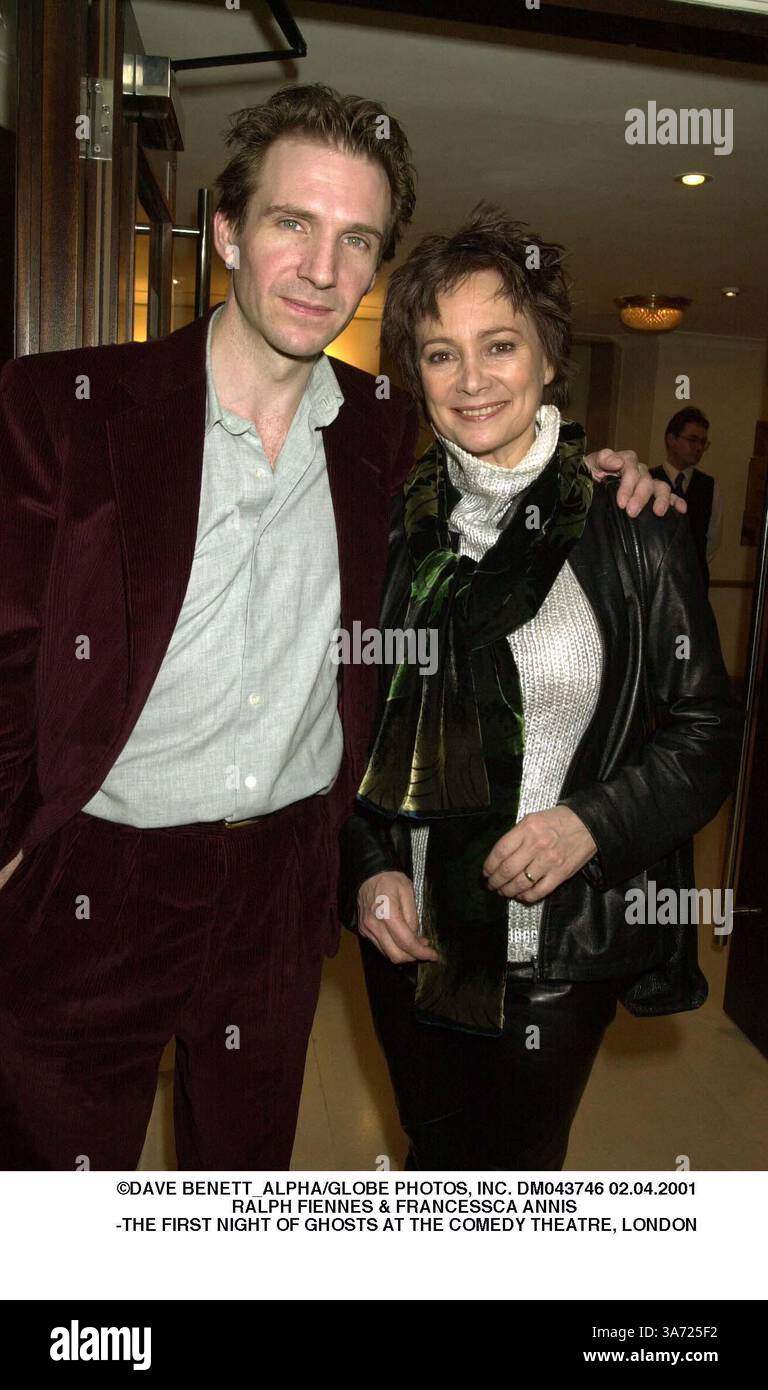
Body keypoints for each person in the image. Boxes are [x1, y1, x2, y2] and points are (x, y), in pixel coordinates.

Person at [0, 86, 679, 1172]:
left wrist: (607, 470)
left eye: (356, 238)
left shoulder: (379, 431)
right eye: (292, 223)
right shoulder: (67, 408)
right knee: (53, 1206)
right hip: (98, 879)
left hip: (280, 886)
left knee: (243, 1188)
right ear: (226, 231)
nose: (323, 266)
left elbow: (500, 445)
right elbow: (9, 660)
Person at [340, 206, 742, 1172]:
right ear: (416, 375)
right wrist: (368, 865)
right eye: (441, 354)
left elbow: (707, 729)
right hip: (410, 935)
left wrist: (589, 823)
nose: (472, 379)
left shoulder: (633, 524)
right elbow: (345, 728)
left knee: (516, 1185)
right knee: (430, 1167)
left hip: (556, 945)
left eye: (499, 344)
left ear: (549, 358)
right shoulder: (389, 525)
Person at [651, 407, 722, 591]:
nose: (699, 448)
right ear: (671, 439)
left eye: (703, 442)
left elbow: (712, 540)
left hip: (695, 584)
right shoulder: (649, 480)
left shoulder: (709, 486)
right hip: (655, 582)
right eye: (692, 440)